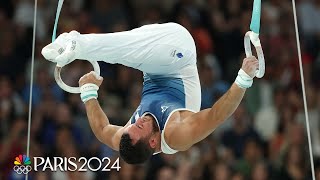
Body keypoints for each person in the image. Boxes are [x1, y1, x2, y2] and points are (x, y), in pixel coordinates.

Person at [41, 23, 259, 164]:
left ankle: (78, 44)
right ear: (153, 142)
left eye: (132, 126)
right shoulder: (175, 135)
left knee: (133, 51)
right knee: (131, 53)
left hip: (153, 49)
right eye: (139, 127)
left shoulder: (128, 137)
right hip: (178, 54)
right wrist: (243, 79)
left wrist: (89, 93)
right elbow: (216, 116)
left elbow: (102, 130)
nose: (137, 122)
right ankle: (77, 45)